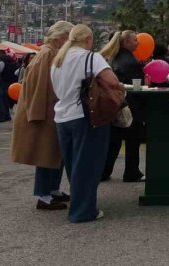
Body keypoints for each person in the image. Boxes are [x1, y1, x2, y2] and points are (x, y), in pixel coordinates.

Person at [50, 24, 120, 223]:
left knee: (74, 165)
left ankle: (80, 204)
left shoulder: (58, 60)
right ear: (88, 39)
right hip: (85, 116)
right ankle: (83, 210)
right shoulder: (91, 57)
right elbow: (112, 80)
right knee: (88, 165)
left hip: (62, 117)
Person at [10, 21, 74, 211]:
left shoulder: (48, 53)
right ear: (61, 38)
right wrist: (37, 114)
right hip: (45, 112)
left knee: (54, 153)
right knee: (45, 153)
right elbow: (40, 87)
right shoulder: (47, 55)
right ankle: (43, 195)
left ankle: (52, 189)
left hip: (48, 110)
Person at [98, 30, 146, 183]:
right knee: (133, 140)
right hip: (130, 106)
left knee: (114, 140)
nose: (137, 42)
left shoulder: (113, 58)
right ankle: (132, 172)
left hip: (114, 105)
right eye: (134, 40)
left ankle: (104, 171)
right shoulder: (131, 62)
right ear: (126, 43)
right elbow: (137, 86)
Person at [0, 50, 19, 121]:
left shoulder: (1, 62)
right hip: (12, 84)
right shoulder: (13, 63)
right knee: (7, 100)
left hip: (4, 83)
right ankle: (7, 115)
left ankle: (4, 116)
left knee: (3, 100)